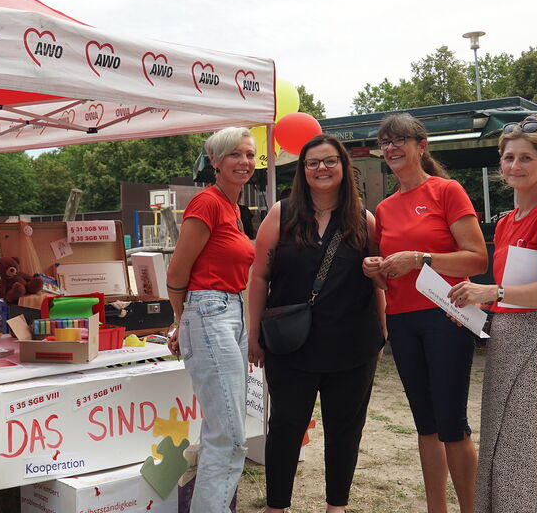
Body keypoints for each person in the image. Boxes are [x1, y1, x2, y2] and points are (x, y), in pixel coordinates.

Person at [447, 115, 537, 513]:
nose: (515, 166)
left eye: (525, 158)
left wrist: (493, 291)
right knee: (497, 441)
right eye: (508, 158)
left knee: (521, 449)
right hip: (505, 339)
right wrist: (479, 312)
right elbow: (508, 296)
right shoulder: (506, 221)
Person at [247, 134, 385, 513]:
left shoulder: (366, 220)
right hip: (291, 345)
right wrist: (254, 334)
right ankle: (277, 506)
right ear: (302, 171)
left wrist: (383, 332)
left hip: (352, 345)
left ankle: (336, 506)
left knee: (345, 429)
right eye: (312, 163)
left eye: (329, 161)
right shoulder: (282, 213)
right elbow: (259, 277)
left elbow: (378, 280)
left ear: (343, 167)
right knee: (286, 428)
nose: (321, 168)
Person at [362, 113, 487, 513]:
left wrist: (420, 258)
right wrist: (377, 271)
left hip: (445, 317)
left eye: (400, 139)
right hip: (403, 320)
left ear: (421, 145)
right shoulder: (384, 208)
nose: (392, 147)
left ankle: (470, 508)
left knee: (451, 424)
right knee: (425, 425)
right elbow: (388, 280)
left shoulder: (446, 191)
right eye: (385, 142)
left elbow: (477, 256)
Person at [166, 127, 256, 513]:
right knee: (231, 436)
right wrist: (181, 320)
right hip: (210, 311)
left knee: (224, 429)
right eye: (234, 154)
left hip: (228, 313)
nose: (245, 162)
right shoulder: (207, 202)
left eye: (250, 155)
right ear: (215, 162)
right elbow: (176, 271)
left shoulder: (234, 208)